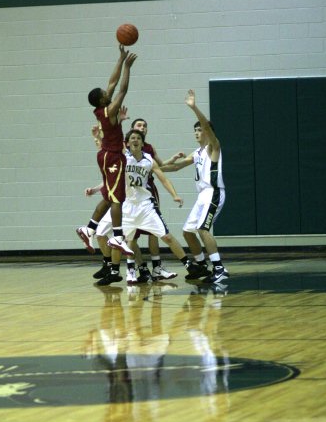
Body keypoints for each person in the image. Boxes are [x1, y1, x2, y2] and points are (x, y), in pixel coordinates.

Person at [91, 129, 195, 285]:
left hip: (145, 205)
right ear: (127, 143)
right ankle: (114, 271)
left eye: (138, 138)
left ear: (142, 142)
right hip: (126, 206)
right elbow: (107, 150)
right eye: (132, 138)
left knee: (166, 236)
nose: (135, 140)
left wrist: (175, 195)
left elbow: (164, 179)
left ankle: (189, 265)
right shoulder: (122, 157)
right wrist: (99, 137)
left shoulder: (149, 160)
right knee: (118, 241)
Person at [76, 46, 137, 271]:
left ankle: (90, 229)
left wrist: (120, 59)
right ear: (102, 100)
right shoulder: (110, 111)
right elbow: (122, 89)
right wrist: (128, 68)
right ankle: (118, 236)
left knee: (109, 196)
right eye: (104, 93)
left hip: (106, 155)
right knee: (118, 199)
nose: (107, 91)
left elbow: (112, 83)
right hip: (113, 158)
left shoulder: (101, 109)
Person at [169, 89, 228, 284]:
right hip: (202, 196)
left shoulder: (214, 146)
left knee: (203, 229)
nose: (197, 132)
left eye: (199, 129)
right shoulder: (197, 152)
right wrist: (155, 165)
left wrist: (194, 107)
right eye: (194, 130)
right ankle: (202, 265)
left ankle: (219, 269)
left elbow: (206, 126)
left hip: (214, 192)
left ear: (207, 132)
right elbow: (176, 168)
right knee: (187, 232)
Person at [126, 118, 183, 283]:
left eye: (144, 126)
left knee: (154, 230)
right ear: (131, 132)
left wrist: (172, 160)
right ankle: (138, 267)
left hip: (148, 191)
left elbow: (160, 166)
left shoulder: (148, 149)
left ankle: (156, 267)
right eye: (139, 125)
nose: (142, 128)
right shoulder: (124, 150)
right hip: (129, 196)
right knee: (130, 235)